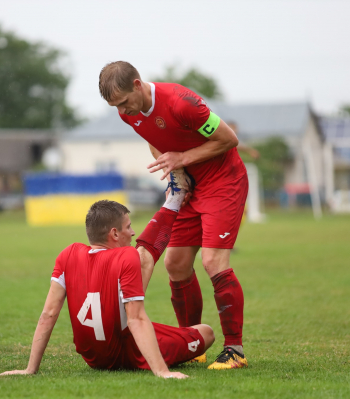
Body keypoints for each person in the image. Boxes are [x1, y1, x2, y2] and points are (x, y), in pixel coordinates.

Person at [98, 61, 249, 370]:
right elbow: (156, 142)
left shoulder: (182, 103)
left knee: (213, 261)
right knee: (175, 263)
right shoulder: (127, 113)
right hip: (190, 187)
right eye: (117, 106)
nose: (123, 110)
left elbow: (229, 139)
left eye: (125, 101)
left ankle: (235, 350)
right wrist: (178, 175)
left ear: (138, 85)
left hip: (223, 182)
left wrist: (183, 158)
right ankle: (192, 343)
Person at [0, 186, 215, 379]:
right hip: (127, 350)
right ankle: (174, 200)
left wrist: (30, 369)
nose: (132, 232)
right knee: (206, 332)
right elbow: (137, 319)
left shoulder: (68, 254)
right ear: (114, 233)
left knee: (144, 262)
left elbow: (48, 314)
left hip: (94, 358)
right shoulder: (127, 256)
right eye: (128, 227)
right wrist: (162, 371)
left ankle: (173, 200)